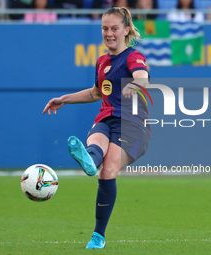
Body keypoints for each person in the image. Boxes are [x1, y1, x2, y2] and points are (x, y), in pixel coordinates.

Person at [43, 7, 150, 249]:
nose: (109, 33)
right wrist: (64, 99)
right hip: (106, 117)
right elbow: (95, 92)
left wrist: (134, 86)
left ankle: (98, 235)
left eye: (114, 28)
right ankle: (90, 160)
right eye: (105, 28)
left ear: (126, 31)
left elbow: (142, 78)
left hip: (132, 126)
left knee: (108, 169)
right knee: (97, 141)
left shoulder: (133, 57)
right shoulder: (102, 61)